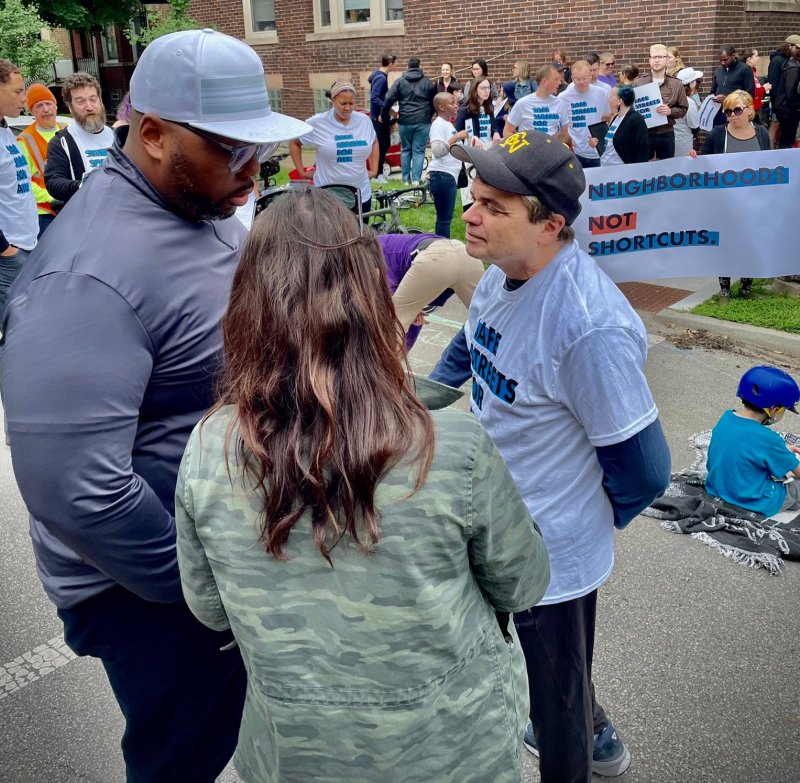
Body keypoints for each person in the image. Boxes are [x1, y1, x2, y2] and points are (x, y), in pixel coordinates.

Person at [0, 28, 312, 782]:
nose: (251, 173)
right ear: (151, 133)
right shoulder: (86, 275)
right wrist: (203, 589)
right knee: (183, 755)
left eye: (258, 152)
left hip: (212, 556)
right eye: (231, 151)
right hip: (149, 594)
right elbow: (77, 490)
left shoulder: (195, 204)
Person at [175, 187, 551, 783]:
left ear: (248, 301)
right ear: (369, 293)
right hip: (454, 747)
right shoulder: (452, 448)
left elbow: (210, 610)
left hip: (297, 754)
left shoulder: (207, 449)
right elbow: (524, 583)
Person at [432, 130, 670, 783]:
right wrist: (407, 400)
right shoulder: (500, 271)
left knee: (557, 699)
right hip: (486, 522)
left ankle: (580, 753)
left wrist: (574, 521)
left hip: (546, 556)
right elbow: (472, 347)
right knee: (500, 662)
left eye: (494, 207)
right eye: (471, 198)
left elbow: (645, 470)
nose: (470, 215)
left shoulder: (586, 325)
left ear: (551, 225)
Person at [688, 90, 767, 300]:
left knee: (751, 241)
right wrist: (695, 157)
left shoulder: (762, 133)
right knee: (726, 243)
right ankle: (724, 289)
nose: (732, 115)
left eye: (737, 110)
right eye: (728, 111)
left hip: (754, 200)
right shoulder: (717, 134)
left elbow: (769, 164)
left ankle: (746, 288)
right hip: (725, 201)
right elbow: (704, 162)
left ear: (750, 110)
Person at [706, 366, 800, 517]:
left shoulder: (726, 417)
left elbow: (746, 445)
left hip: (717, 488)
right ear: (774, 409)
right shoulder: (768, 439)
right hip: (755, 500)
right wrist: (782, 452)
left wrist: (782, 450)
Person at [377, 231, 484, 347]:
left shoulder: (367, 252)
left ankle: (383, 365)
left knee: (396, 321)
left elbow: (384, 298)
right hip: (466, 255)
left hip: (435, 258)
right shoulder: (384, 243)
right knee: (491, 318)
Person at [290, 78, 377, 216]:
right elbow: (295, 142)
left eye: (351, 103)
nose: (348, 108)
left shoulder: (364, 121)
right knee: (332, 236)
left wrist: (374, 169)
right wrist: (302, 171)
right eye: (343, 103)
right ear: (333, 100)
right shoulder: (318, 123)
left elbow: (374, 142)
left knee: (360, 235)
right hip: (327, 196)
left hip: (360, 193)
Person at [0, 59, 37, 320]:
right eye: (17, 91)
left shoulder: (6, 130)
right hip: (8, 256)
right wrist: (5, 249)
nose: (25, 98)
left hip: (26, 245)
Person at [43, 72, 115, 205]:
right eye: (80, 101)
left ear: (100, 100)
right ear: (70, 107)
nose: (89, 107)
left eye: (93, 99)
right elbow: (53, 182)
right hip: (85, 219)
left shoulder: (118, 136)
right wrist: (83, 185)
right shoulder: (61, 142)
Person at [16, 84, 66, 237]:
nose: (46, 109)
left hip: (71, 205)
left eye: (49, 103)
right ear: (31, 111)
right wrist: (51, 198)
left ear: (56, 106)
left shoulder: (68, 129)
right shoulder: (25, 140)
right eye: (39, 105)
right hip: (44, 212)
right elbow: (22, 181)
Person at [382, 57, 435, 184]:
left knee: (405, 149)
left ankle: (405, 180)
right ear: (419, 65)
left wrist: (384, 113)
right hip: (423, 120)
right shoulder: (428, 82)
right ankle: (416, 179)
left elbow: (388, 98)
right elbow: (434, 102)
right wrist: (429, 115)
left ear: (408, 67)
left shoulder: (400, 82)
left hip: (404, 120)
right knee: (418, 150)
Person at [632, 44, 689, 159]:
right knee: (643, 167)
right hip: (644, 133)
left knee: (667, 169)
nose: (657, 60)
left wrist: (670, 111)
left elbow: (683, 109)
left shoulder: (676, 83)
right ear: (649, 59)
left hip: (666, 133)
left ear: (667, 59)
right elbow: (631, 108)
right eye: (654, 57)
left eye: (661, 57)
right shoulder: (638, 82)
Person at [559, 59, 610, 168]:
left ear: (591, 76)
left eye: (584, 78)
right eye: (578, 79)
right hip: (574, 152)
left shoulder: (601, 93)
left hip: (598, 151)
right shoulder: (563, 97)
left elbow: (608, 117)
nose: (581, 82)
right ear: (572, 78)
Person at [428, 92, 465, 237]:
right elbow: (437, 151)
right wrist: (456, 137)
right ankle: (443, 250)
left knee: (445, 219)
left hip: (448, 175)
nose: (456, 105)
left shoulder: (448, 124)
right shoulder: (438, 125)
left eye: (456, 102)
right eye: (452, 103)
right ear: (441, 107)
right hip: (442, 175)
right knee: (444, 220)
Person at [504, 64, 570, 144]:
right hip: (528, 154)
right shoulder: (522, 103)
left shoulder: (560, 103)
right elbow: (507, 131)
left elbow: (565, 134)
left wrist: (557, 142)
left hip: (551, 154)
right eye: (556, 79)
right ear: (545, 81)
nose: (559, 82)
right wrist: (520, 149)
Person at [593, 85, 650, 165]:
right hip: (606, 169)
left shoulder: (636, 119)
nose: (608, 101)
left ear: (620, 101)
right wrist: (597, 143)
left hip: (622, 172)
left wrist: (638, 172)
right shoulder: (616, 117)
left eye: (611, 97)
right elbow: (610, 145)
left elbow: (643, 150)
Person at [710, 46, 755, 126]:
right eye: (720, 60)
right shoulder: (718, 70)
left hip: (735, 113)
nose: (722, 63)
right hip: (718, 113)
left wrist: (728, 99)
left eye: (725, 60)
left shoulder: (745, 69)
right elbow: (713, 90)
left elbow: (750, 94)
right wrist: (713, 98)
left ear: (733, 55)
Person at [768, 35, 800, 148]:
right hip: (781, 103)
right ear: (789, 46)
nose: (798, 50)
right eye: (797, 47)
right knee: (776, 126)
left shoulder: (789, 61)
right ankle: (771, 150)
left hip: (783, 103)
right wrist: (777, 103)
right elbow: (774, 83)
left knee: (783, 132)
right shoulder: (778, 61)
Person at [369, 52, 395, 184]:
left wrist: (388, 109)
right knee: (381, 145)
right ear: (390, 64)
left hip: (380, 115)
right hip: (378, 118)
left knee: (385, 144)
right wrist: (384, 110)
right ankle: (377, 174)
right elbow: (374, 97)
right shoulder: (381, 78)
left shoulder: (377, 75)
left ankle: (379, 173)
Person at [455, 76, 501, 149]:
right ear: (475, 90)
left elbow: (493, 125)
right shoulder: (465, 109)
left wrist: (496, 132)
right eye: (483, 88)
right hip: (473, 150)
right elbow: (458, 132)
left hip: (489, 146)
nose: (486, 91)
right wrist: (472, 138)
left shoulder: (489, 106)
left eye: (488, 88)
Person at [673, 67, 702, 156]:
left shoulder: (672, 98)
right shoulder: (689, 102)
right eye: (695, 81)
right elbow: (694, 126)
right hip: (683, 143)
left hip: (671, 141)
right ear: (692, 83)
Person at [742, 48, 770, 123]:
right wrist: (763, 88)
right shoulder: (746, 72)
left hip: (755, 107)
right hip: (750, 107)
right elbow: (750, 90)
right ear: (749, 59)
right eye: (756, 56)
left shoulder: (753, 71)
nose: (758, 58)